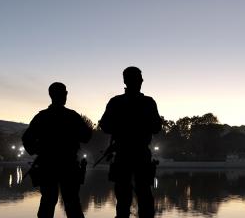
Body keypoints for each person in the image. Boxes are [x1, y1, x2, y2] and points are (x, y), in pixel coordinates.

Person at [99, 66, 162, 218]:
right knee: (142, 196)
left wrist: (121, 128)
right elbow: (157, 127)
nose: (140, 81)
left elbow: (105, 126)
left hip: (124, 154)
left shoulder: (116, 102)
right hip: (136, 153)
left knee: (126, 198)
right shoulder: (148, 102)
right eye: (139, 78)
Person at [22, 82, 92, 218]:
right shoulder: (72, 116)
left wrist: (40, 151)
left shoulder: (42, 117)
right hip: (68, 165)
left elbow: (26, 139)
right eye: (65, 93)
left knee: (47, 203)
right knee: (72, 204)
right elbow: (87, 137)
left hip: (48, 165)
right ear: (64, 95)